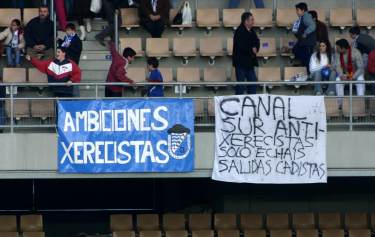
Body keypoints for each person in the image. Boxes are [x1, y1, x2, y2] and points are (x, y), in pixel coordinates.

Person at [232, 12, 259, 95]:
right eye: (252, 20)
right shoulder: (239, 31)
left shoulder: (252, 31)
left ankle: (252, 103)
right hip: (241, 64)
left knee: (253, 84)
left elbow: (257, 41)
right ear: (246, 21)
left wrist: (256, 48)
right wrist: (252, 49)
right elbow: (241, 46)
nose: (253, 21)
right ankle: (238, 105)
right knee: (241, 86)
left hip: (250, 63)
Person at [292, 2, 316, 71]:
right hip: (304, 42)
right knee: (296, 50)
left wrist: (305, 33)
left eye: (297, 10)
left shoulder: (306, 17)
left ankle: (308, 73)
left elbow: (313, 26)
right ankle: (304, 66)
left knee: (307, 60)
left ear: (303, 10)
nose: (296, 12)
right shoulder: (303, 18)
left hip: (307, 44)